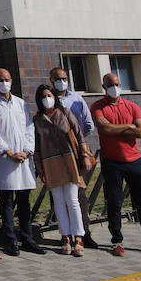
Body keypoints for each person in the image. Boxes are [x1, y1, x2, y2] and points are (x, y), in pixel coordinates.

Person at [90, 73, 141, 258]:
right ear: (103, 86)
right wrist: (128, 127)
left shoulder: (132, 106)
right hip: (112, 162)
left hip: (134, 161)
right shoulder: (98, 107)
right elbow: (104, 129)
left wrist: (121, 128)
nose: (114, 87)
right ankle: (117, 241)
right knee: (114, 202)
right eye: (110, 84)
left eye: (116, 83)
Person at [0, 70, 44, 257]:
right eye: (0, 80)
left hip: (23, 157)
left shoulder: (20, 103)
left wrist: (27, 150)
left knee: (24, 199)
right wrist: (8, 151)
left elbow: (29, 127)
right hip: (6, 158)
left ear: (11, 80)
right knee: (7, 199)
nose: (4, 83)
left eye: (7, 79)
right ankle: (11, 239)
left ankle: (27, 238)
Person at [32, 85, 87, 255]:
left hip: (69, 159)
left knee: (72, 199)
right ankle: (65, 236)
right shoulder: (37, 119)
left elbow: (79, 134)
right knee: (58, 201)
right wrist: (39, 168)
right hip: (49, 162)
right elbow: (37, 147)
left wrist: (84, 154)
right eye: (43, 96)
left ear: (54, 97)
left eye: (49, 95)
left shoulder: (64, 112)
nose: (47, 98)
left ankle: (78, 236)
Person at [49, 66, 99, 246]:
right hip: (55, 155)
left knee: (79, 194)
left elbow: (88, 124)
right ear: (51, 80)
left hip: (76, 153)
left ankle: (84, 233)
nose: (61, 81)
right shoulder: (48, 99)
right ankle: (66, 234)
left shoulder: (77, 99)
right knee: (60, 196)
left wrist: (77, 141)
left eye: (63, 78)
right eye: (57, 78)